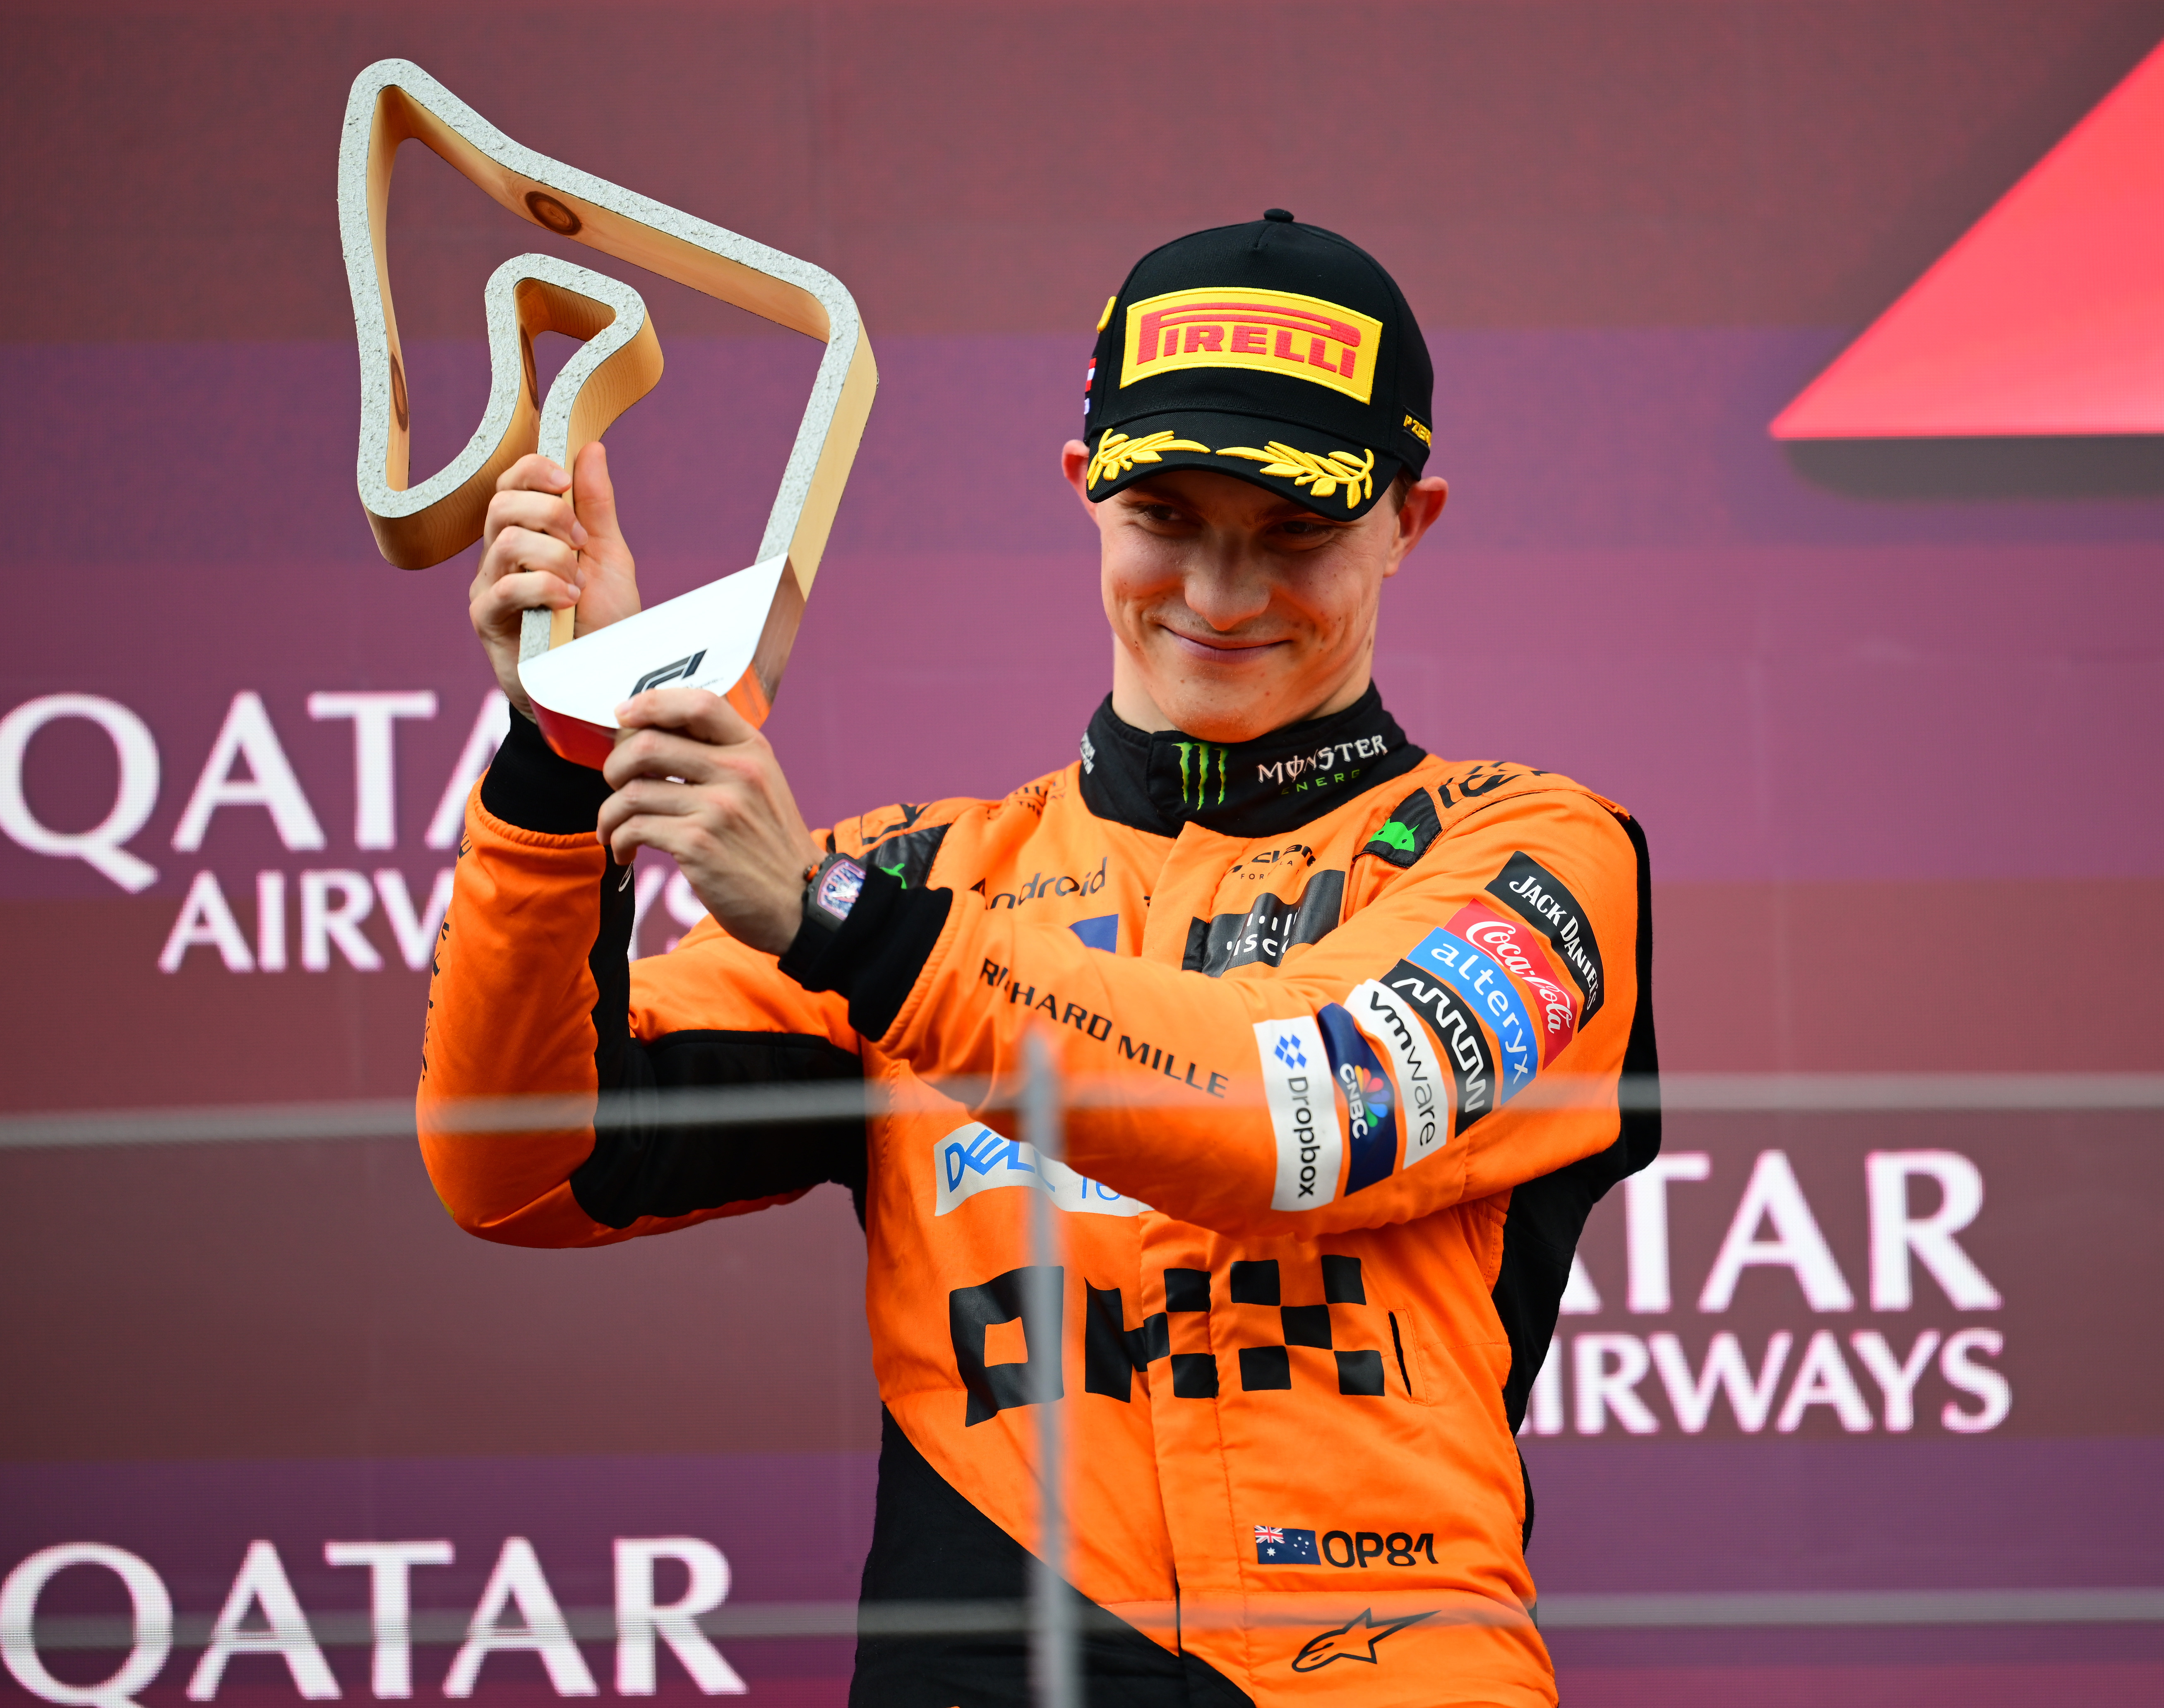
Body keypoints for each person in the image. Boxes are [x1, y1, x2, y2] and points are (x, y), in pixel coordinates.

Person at [418, 210, 1658, 1707]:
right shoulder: (932, 878)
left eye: (1298, 535)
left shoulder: (1533, 853)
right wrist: (564, 750)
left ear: (1412, 520)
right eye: (1167, 519)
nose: (1218, 592)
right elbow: (523, 1168)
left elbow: (1297, 1110)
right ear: (1085, 493)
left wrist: (839, 927)